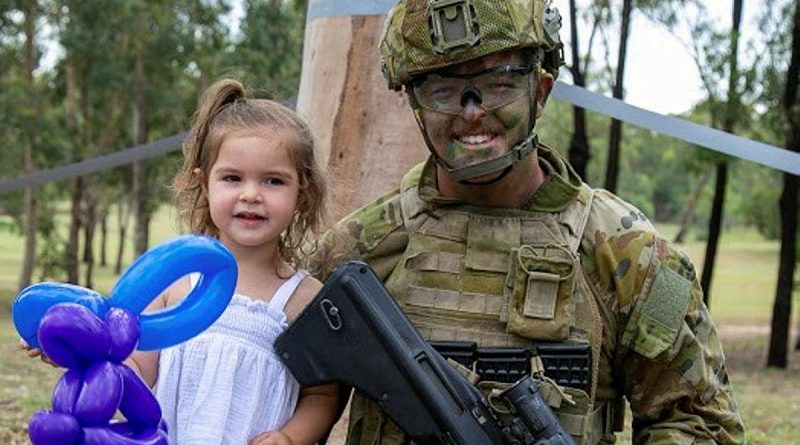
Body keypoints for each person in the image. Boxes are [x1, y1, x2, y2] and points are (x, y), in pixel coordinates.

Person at [309, 0, 746, 444]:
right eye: (443, 90)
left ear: (541, 89)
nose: (472, 111)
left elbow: (700, 423)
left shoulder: (636, 256)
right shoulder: (355, 251)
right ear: (416, 106)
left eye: (498, 84)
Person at [21, 78, 338, 445]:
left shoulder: (304, 298)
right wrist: (85, 356)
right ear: (205, 185)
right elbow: (138, 367)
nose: (251, 195)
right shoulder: (173, 282)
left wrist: (289, 437)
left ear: (303, 191)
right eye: (232, 178)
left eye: (274, 181)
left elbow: (321, 395)